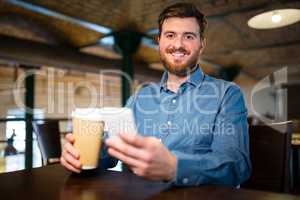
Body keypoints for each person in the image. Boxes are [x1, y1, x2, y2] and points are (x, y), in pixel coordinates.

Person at [60, 2, 251, 187]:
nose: (178, 44)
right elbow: (109, 151)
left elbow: (237, 166)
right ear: (159, 41)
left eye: (189, 37)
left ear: (202, 44)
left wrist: (175, 167)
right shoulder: (138, 99)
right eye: (170, 35)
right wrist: (81, 157)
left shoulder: (227, 94)